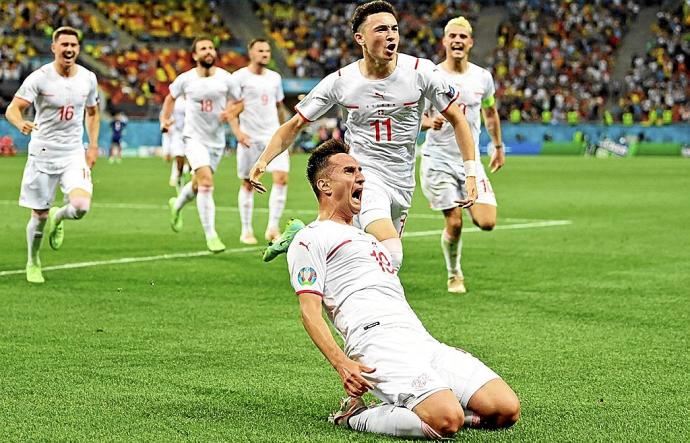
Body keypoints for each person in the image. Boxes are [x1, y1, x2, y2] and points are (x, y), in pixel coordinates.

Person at [287, 140, 519, 439]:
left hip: (419, 338)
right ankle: (355, 416)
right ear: (324, 185)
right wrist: (342, 364)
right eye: (349, 171)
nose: (361, 176)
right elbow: (309, 312)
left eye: (360, 170)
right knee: (446, 421)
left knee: (505, 409)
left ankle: (430, 402)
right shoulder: (311, 238)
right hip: (377, 342)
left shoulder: (367, 238)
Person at [251, 0, 477, 267]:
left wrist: (470, 172)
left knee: (371, 261)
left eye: (394, 28)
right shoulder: (342, 81)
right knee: (392, 254)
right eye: (381, 29)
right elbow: (294, 125)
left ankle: (302, 236)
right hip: (364, 176)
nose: (391, 35)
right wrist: (264, 160)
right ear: (360, 38)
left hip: (402, 181)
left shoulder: (421, 71)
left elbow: (458, 119)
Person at [5, 26, 100, 284]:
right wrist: (20, 123)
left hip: (72, 152)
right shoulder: (39, 78)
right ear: (54, 48)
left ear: (78, 49)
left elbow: (92, 112)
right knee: (39, 215)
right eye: (64, 45)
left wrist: (92, 145)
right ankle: (33, 261)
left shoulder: (88, 78)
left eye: (73, 45)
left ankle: (61, 217)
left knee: (81, 206)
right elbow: (13, 109)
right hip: (43, 153)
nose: (69, 49)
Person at [420, 17, 505, 294]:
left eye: (462, 37)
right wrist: (426, 123)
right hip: (438, 160)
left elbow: (490, 112)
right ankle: (454, 274)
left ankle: (467, 203)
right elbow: (412, 112)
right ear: (444, 41)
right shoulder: (431, 75)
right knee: (454, 221)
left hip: (469, 162)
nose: (457, 41)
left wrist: (498, 146)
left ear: (470, 42)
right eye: (452, 36)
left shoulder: (482, 77)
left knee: (487, 222)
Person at [160, 36, 239, 253]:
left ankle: (176, 205)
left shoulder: (226, 78)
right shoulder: (185, 79)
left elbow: (240, 102)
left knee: (197, 185)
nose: (208, 51)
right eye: (203, 48)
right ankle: (211, 235)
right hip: (193, 138)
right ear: (194, 55)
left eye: (211, 48)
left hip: (216, 141)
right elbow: (170, 98)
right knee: (206, 182)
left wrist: (231, 112)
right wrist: (164, 120)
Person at [229, 39, 290, 244]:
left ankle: (273, 227)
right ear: (251, 53)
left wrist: (285, 134)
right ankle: (246, 230)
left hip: (273, 137)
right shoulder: (238, 78)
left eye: (267, 50)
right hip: (249, 139)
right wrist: (238, 133)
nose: (265, 54)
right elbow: (232, 109)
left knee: (281, 178)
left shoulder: (275, 78)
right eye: (260, 50)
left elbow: (279, 107)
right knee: (247, 183)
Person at [162, 95, 187, 192]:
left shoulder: (194, 99)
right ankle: (179, 176)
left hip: (191, 132)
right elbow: (165, 115)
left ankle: (187, 175)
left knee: (191, 159)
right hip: (177, 133)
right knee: (178, 156)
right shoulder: (176, 101)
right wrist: (166, 123)